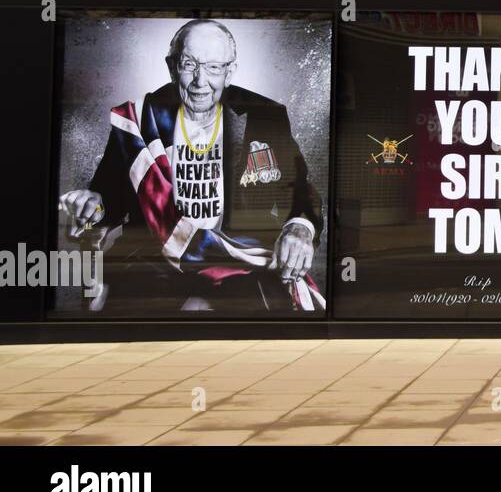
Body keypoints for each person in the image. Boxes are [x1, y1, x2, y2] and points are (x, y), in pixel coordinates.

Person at [57, 19, 325, 314]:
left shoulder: (266, 116)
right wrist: (93, 206)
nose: (200, 80)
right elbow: (107, 200)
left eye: (214, 67)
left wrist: (300, 228)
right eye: (189, 64)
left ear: (230, 71)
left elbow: (302, 191)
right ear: (172, 67)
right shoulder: (140, 119)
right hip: (154, 266)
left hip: (236, 265)